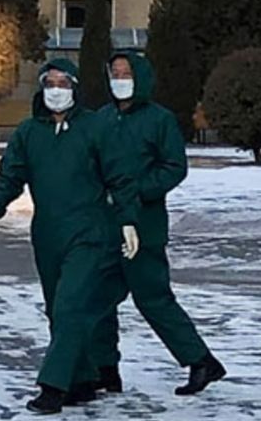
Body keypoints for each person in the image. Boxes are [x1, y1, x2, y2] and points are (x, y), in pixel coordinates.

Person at [0, 59, 140, 415]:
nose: (56, 90)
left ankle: (53, 386)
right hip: (49, 234)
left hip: (90, 231)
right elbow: (10, 176)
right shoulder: (28, 133)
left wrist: (128, 220)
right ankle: (82, 379)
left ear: (75, 88)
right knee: (58, 309)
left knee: (70, 305)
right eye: (49, 83)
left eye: (63, 83)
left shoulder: (95, 128)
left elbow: (120, 176)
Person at [91, 51, 226, 396]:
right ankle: (105, 368)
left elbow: (174, 167)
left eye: (126, 74)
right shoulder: (101, 119)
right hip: (105, 224)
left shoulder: (159, 120)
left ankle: (200, 360)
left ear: (140, 77)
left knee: (152, 298)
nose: (119, 80)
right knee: (99, 298)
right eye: (114, 74)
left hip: (144, 224)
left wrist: (138, 192)